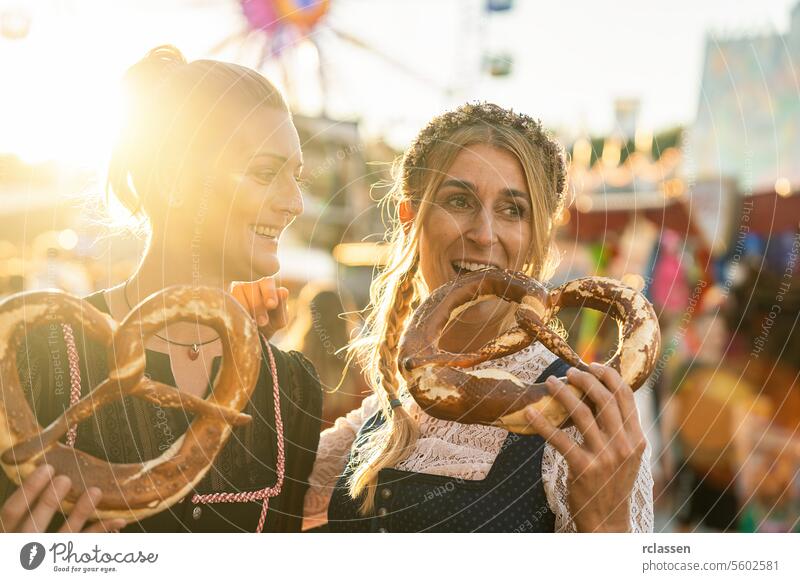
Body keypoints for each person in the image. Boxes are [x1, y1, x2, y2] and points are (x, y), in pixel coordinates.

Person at [0, 46, 321, 533]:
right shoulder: (34, 353)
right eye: (264, 173)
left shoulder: (291, 386)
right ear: (172, 178)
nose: (295, 202)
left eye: (296, 177)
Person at [302, 102, 654, 532]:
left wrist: (609, 527)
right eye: (458, 201)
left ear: (538, 233)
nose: (484, 233)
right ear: (410, 218)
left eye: (513, 210)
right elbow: (248, 495)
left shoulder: (580, 416)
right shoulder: (386, 407)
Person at [279, 283, 368, 427]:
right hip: (349, 446)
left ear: (306, 315)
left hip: (303, 448)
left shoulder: (289, 362)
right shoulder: (362, 366)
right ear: (345, 314)